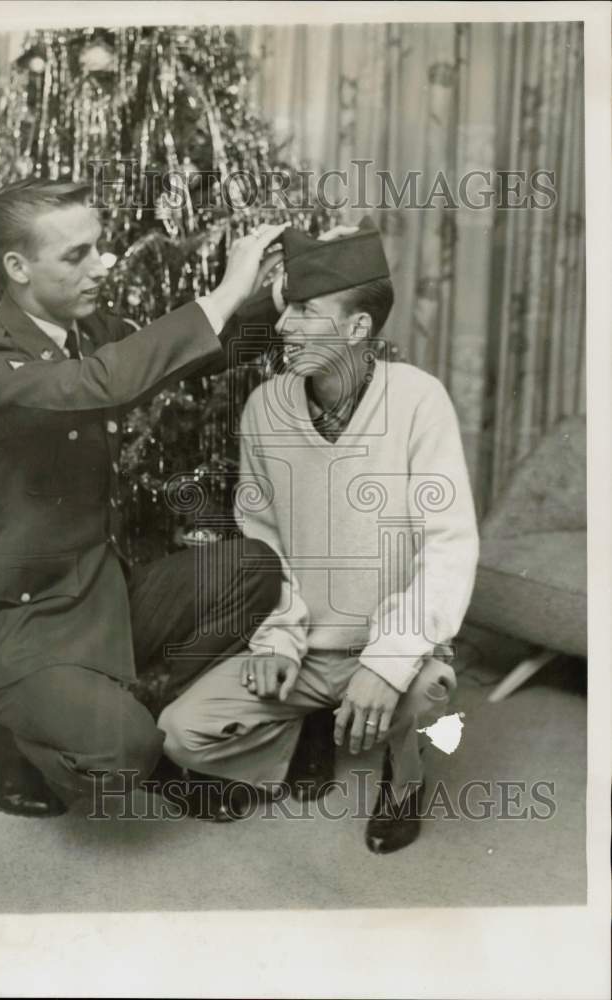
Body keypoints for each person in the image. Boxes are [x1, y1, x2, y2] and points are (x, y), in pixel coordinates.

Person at [0, 176, 290, 818]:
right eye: (75, 255)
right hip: (23, 628)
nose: (100, 265)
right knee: (122, 760)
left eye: (98, 247)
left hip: (101, 593)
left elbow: (197, 355)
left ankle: (130, 712)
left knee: (255, 570)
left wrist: (277, 295)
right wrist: (221, 291)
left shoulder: (89, 332)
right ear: (17, 267)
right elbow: (101, 383)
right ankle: (11, 733)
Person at [158, 219, 481, 852]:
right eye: (288, 309)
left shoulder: (420, 401)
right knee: (180, 733)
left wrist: (387, 663)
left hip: (397, 645)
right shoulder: (265, 409)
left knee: (424, 693)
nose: (281, 327)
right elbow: (262, 540)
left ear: (359, 328)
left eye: (305, 311)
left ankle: (404, 779)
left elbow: (450, 546)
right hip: (306, 650)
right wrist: (277, 635)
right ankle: (305, 730)